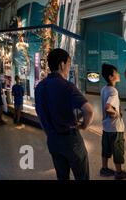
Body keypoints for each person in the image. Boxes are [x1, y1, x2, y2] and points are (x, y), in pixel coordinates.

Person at [35, 48, 94, 180]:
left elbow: (40, 113)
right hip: (70, 140)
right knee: (82, 176)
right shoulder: (67, 86)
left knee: (62, 176)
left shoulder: (39, 87)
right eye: (68, 64)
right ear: (62, 64)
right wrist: (84, 125)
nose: (69, 67)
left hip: (53, 140)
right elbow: (88, 110)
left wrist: (49, 133)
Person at [100, 63, 126, 179]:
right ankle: (119, 172)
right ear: (110, 77)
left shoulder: (104, 89)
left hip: (106, 127)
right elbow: (108, 107)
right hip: (115, 128)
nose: (118, 74)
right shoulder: (113, 91)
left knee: (106, 148)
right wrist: (116, 113)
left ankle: (104, 168)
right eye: (116, 73)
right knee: (118, 149)